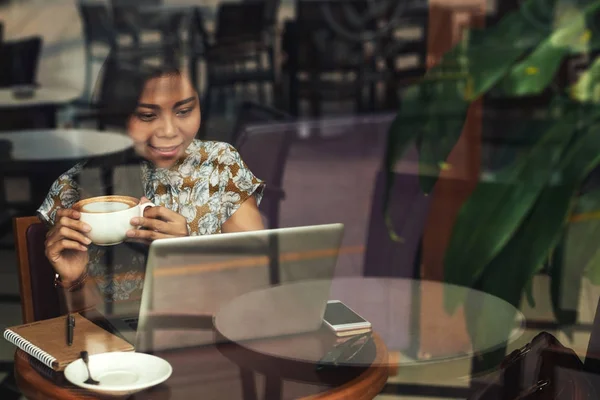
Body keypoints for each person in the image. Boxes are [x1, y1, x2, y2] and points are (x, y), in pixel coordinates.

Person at [38, 55, 265, 313]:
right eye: (147, 116)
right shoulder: (75, 190)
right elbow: (85, 329)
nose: (168, 131)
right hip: (121, 347)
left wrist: (190, 252)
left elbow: (257, 281)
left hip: (210, 334)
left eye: (184, 111)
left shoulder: (220, 165)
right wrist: (73, 279)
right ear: (116, 118)